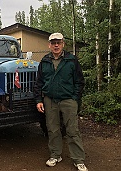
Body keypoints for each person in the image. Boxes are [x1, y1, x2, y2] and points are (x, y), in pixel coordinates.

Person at [34, 33, 88, 171]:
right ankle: (55, 155)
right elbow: (39, 83)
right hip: (50, 100)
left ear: (63, 44)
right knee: (52, 129)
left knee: (72, 130)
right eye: (53, 43)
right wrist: (39, 100)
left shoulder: (71, 60)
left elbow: (79, 81)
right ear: (49, 45)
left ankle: (78, 159)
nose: (56, 45)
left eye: (58, 42)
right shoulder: (45, 61)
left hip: (68, 100)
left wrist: (75, 98)